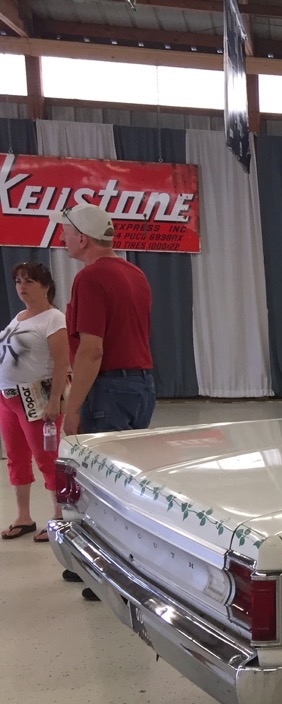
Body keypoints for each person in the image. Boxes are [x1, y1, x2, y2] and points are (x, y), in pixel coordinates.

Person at [51, 201, 155, 597]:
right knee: (126, 483)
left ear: (82, 238)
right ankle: (124, 563)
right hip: (139, 386)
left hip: (107, 389)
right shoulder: (134, 273)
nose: (62, 238)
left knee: (100, 487)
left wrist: (72, 407)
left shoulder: (91, 278)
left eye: (66, 232)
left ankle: (104, 576)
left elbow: (92, 350)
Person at [0, 263, 68, 542]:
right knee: (16, 457)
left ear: (46, 286)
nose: (22, 287)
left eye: (29, 281)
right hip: (8, 398)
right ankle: (23, 516)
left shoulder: (53, 318)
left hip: (36, 399)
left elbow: (62, 363)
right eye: (18, 281)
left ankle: (60, 514)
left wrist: (54, 400)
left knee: (46, 458)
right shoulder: (19, 317)